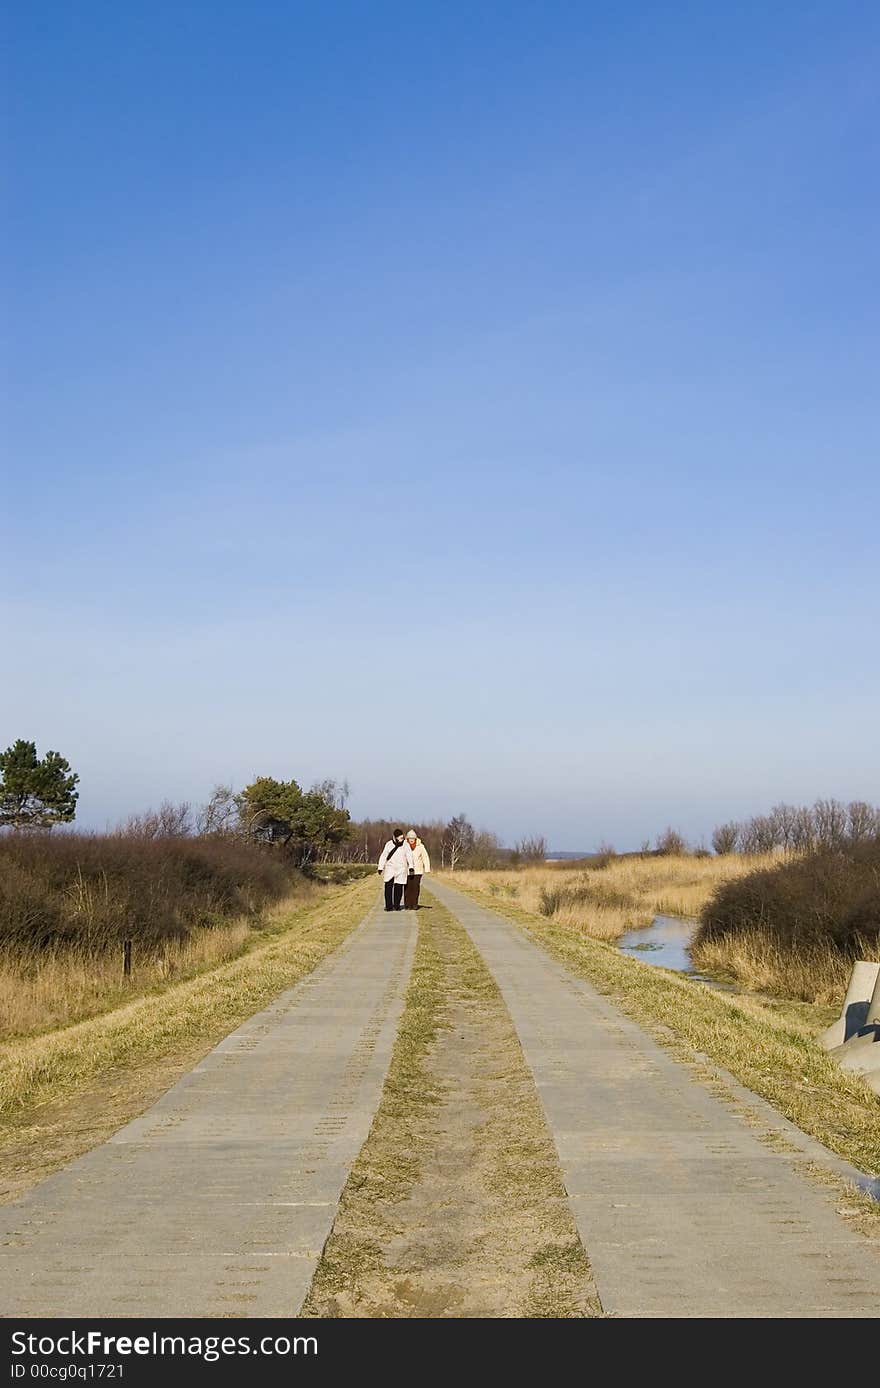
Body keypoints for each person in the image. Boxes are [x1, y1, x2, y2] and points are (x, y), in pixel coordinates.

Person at [377, 829, 414, 911]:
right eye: (400, 838)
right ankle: (389, 906)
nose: (401, 840)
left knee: (399, 887)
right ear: (395, 838)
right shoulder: (389, 844)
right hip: (390, 868)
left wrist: (411, 866)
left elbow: (409, 855)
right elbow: (384, 855)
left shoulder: (405, 845)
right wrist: (380, 867)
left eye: (402, 838)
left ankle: (397, 905)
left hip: (401, 868)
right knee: (388, 886)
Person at [403, 829, 431, 909]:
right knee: (408, 888)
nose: (411, 840)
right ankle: (407, 904)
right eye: (410, 838)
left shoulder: (421, 847)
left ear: (415, 839)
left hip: (418, 871)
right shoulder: (404, 846)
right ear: (407, 839)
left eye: (413, 838)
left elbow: (425, 857)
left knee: (415, 887)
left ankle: (414, 904)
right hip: (407, 871)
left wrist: (427, 868)